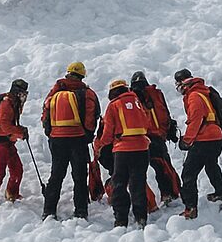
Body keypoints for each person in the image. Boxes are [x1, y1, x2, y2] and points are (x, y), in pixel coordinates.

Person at [41, 61, 100, 221]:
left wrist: (50, 132)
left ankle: (49, 210)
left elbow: (45, 112)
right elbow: (91, 115)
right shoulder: (87, 93)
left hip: (57, 139)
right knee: (80, 177)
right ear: (82, 76)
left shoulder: (55, 91)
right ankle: (81, 211)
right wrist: (88, 135)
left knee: (56, 175)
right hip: (77, 139)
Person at [174, 69, 222, 218]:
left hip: (205, 138)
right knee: (211, 165)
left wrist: (187, 140)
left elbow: (196, 119)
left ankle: (190, 208)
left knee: (188, 173)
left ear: (182, 83)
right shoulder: (203, 92)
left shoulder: (193, 96)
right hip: (216, 136)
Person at [101, 78, 152, 228]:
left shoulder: (113, 105)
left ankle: (121, 218)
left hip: (122, 150)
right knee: (138, 183)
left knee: (119, 184)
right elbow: (147, 124)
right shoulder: (138, 103)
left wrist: (101, 145)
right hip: (142, 149)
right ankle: (141, 217)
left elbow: (108, 131)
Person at [131, 71, 181, 207]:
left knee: (138, 172)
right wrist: (168, 130)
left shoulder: (130, 97)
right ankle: (170, 194)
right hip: (158, 136)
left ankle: (146, 202)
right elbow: (165, 112)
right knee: (164, 167)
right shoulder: (156, 94)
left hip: (140, 138)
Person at [0, 80, 30, 209]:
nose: (24, 96)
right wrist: (20, 132)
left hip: (7, 141)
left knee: (17, 170)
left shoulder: (13, 103)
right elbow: (4, 126)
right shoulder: (6, 103)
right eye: (22, 93)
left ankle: (12, 194)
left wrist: (19, 131)